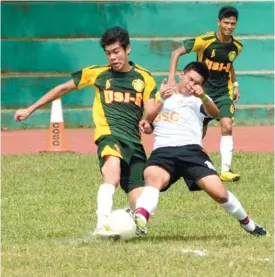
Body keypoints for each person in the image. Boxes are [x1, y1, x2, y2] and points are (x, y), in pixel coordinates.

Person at [14, 26, 161, 238]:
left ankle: (127, 222)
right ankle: (101, 224)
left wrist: (149, 121)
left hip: (134, 144)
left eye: (116, 51)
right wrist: (30, 109)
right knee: (112, 176)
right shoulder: (98, 74)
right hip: (109, 136)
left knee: (140, 206)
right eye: (108, 53)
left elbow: (149, 110)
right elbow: (62, 88)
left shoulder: (145, 78)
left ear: (127, 49)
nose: (113, 57)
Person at [133, 61, 267, 237]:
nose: (191, 85)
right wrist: (160, 100)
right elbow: (149, 118)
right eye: (190, 79)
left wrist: (203, 96)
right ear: (182, 74)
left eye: (197, 83)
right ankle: (141, 216)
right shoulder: (163, 94)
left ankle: (248, 224)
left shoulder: (199, 100)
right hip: (163, 151)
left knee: (219, 194)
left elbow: (215, 113)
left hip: (192, 151)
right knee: (153, 178)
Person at [168, 6, 242, 182]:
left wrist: (236, 84)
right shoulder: (205, 41)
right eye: (226, 22)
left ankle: (225, 170)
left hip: (223, 94)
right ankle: (189, 166)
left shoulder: (236, 46)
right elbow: (176, 52)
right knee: (198, 132)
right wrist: (172, 77)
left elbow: (228, 64)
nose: (229, 26)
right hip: (202, 94)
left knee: (227, 125)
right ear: (219, 22)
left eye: (232, 23)